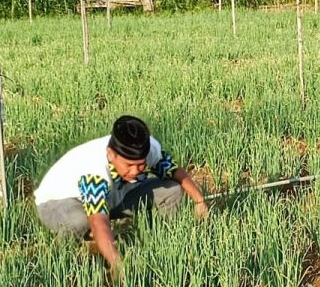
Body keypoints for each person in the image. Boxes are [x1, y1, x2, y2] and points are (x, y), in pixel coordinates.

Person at [33, 115, 208, 269]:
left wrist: (199, 201)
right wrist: (118, 265)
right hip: (59, 202)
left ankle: (159, 241)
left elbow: (174, 172)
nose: (135, 171)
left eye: (140, 165)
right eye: (129, 165)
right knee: (80, 221)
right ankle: (65, 254)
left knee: (172, 190)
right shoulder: (94, 170)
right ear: (111, 154)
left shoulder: (150, 148)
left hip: (114, 196)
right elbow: (98, 219)